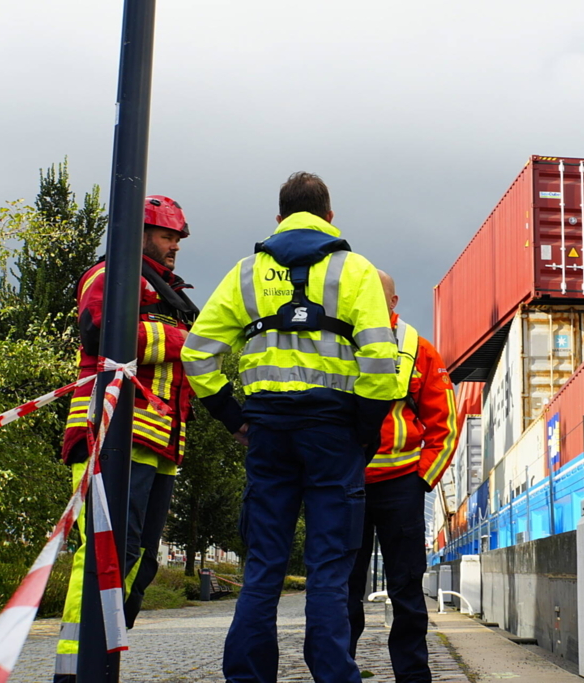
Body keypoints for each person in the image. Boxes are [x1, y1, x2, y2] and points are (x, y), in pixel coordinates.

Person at [181, 172, 399, 683]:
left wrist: (235, 419)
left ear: (279, 219)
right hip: (334, 433)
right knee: (328, 570)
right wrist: (363, 431)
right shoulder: (358, 272)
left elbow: (197, 355)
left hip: (268, 434)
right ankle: (333, 676)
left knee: (262, 568)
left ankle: (248, 678)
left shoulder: (245, 274)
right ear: (330, 217)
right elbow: (380, 364)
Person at [54, 196, 199, 683]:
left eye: (177, 237)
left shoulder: (168, 293)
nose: (174, 244)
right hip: (112, 434)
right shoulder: (109, 276)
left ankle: (104, 660)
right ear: (136, 233)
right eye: (165, 234)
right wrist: (183, 343)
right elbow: (102, 334)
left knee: (140, 562)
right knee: (103, 556)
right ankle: (75, 670)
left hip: (158, 443)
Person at [347, 271, 459, 683]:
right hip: (348, 486)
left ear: (394, 303)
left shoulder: (418, 349)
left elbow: (444, 423)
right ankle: (340, 671)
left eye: (381, 299)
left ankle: (413, 676)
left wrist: (421, 480)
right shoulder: (338, 343)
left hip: (401, 486)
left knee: (407, 590)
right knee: (342, 590)